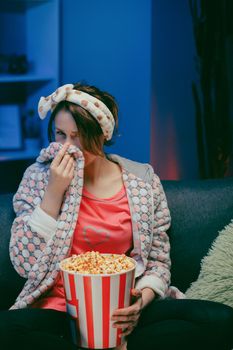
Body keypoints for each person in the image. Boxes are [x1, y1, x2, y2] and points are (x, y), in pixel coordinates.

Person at [1, 82, 233, 350]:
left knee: (218, 319)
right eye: (60, 135)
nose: (67, 147)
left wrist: (140, 301)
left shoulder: (143, 182)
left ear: (102, 135)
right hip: (60, 313)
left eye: (78, 136)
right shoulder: (40, 177)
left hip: (121, 312)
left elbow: (158, 260)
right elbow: (25, 263)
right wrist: (54, 191)